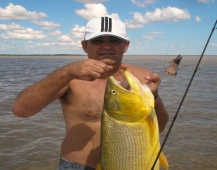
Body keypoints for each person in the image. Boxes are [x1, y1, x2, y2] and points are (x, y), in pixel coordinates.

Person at [12, 16, 169, 170]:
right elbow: (21, 110)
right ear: (84, 45)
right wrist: (66, 73)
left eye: (114, 41)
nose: (106, 46)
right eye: (98, 41)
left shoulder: (142, 76)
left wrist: (154, 98)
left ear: (126, 45)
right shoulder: (70, 78)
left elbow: (159, 127)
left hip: (134, 163)